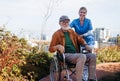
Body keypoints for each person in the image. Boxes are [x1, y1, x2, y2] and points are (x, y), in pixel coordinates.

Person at [49, 15, 96, 81]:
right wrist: (57, 46)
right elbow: (50, 49)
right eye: (64, 22)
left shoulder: (71, 32)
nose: (66, 24)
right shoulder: (56, 34)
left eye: (67, 22)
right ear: (60, 23)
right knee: (82, 56)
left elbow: (80, 39)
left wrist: (86, 45)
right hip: (65, 55)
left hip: (76, 55)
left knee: (92, 56)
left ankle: (91, 79)